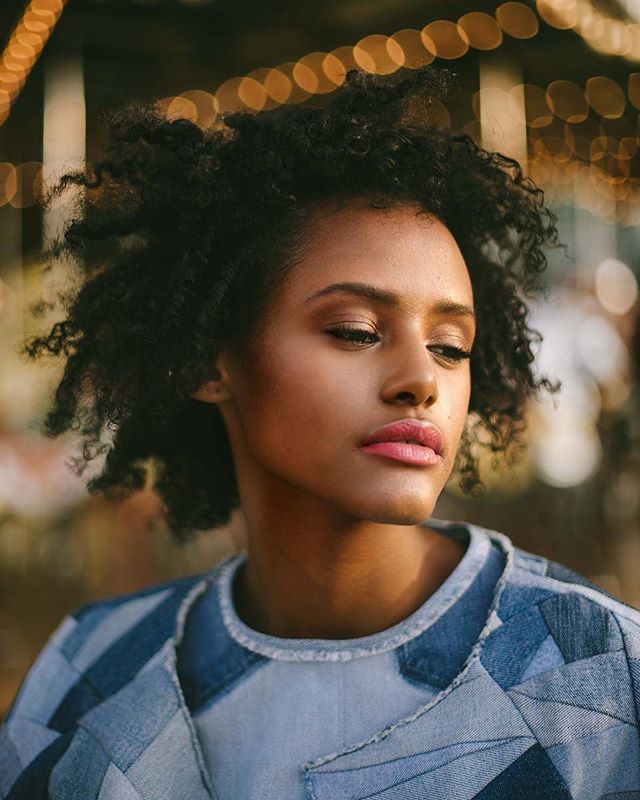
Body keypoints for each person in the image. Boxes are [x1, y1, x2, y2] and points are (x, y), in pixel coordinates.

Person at [1, 65, 639, 800]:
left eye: (451, 346)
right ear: (214, 361)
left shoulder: (600, 673)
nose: (421, 379)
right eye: (356, 330)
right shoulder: (88, 669)